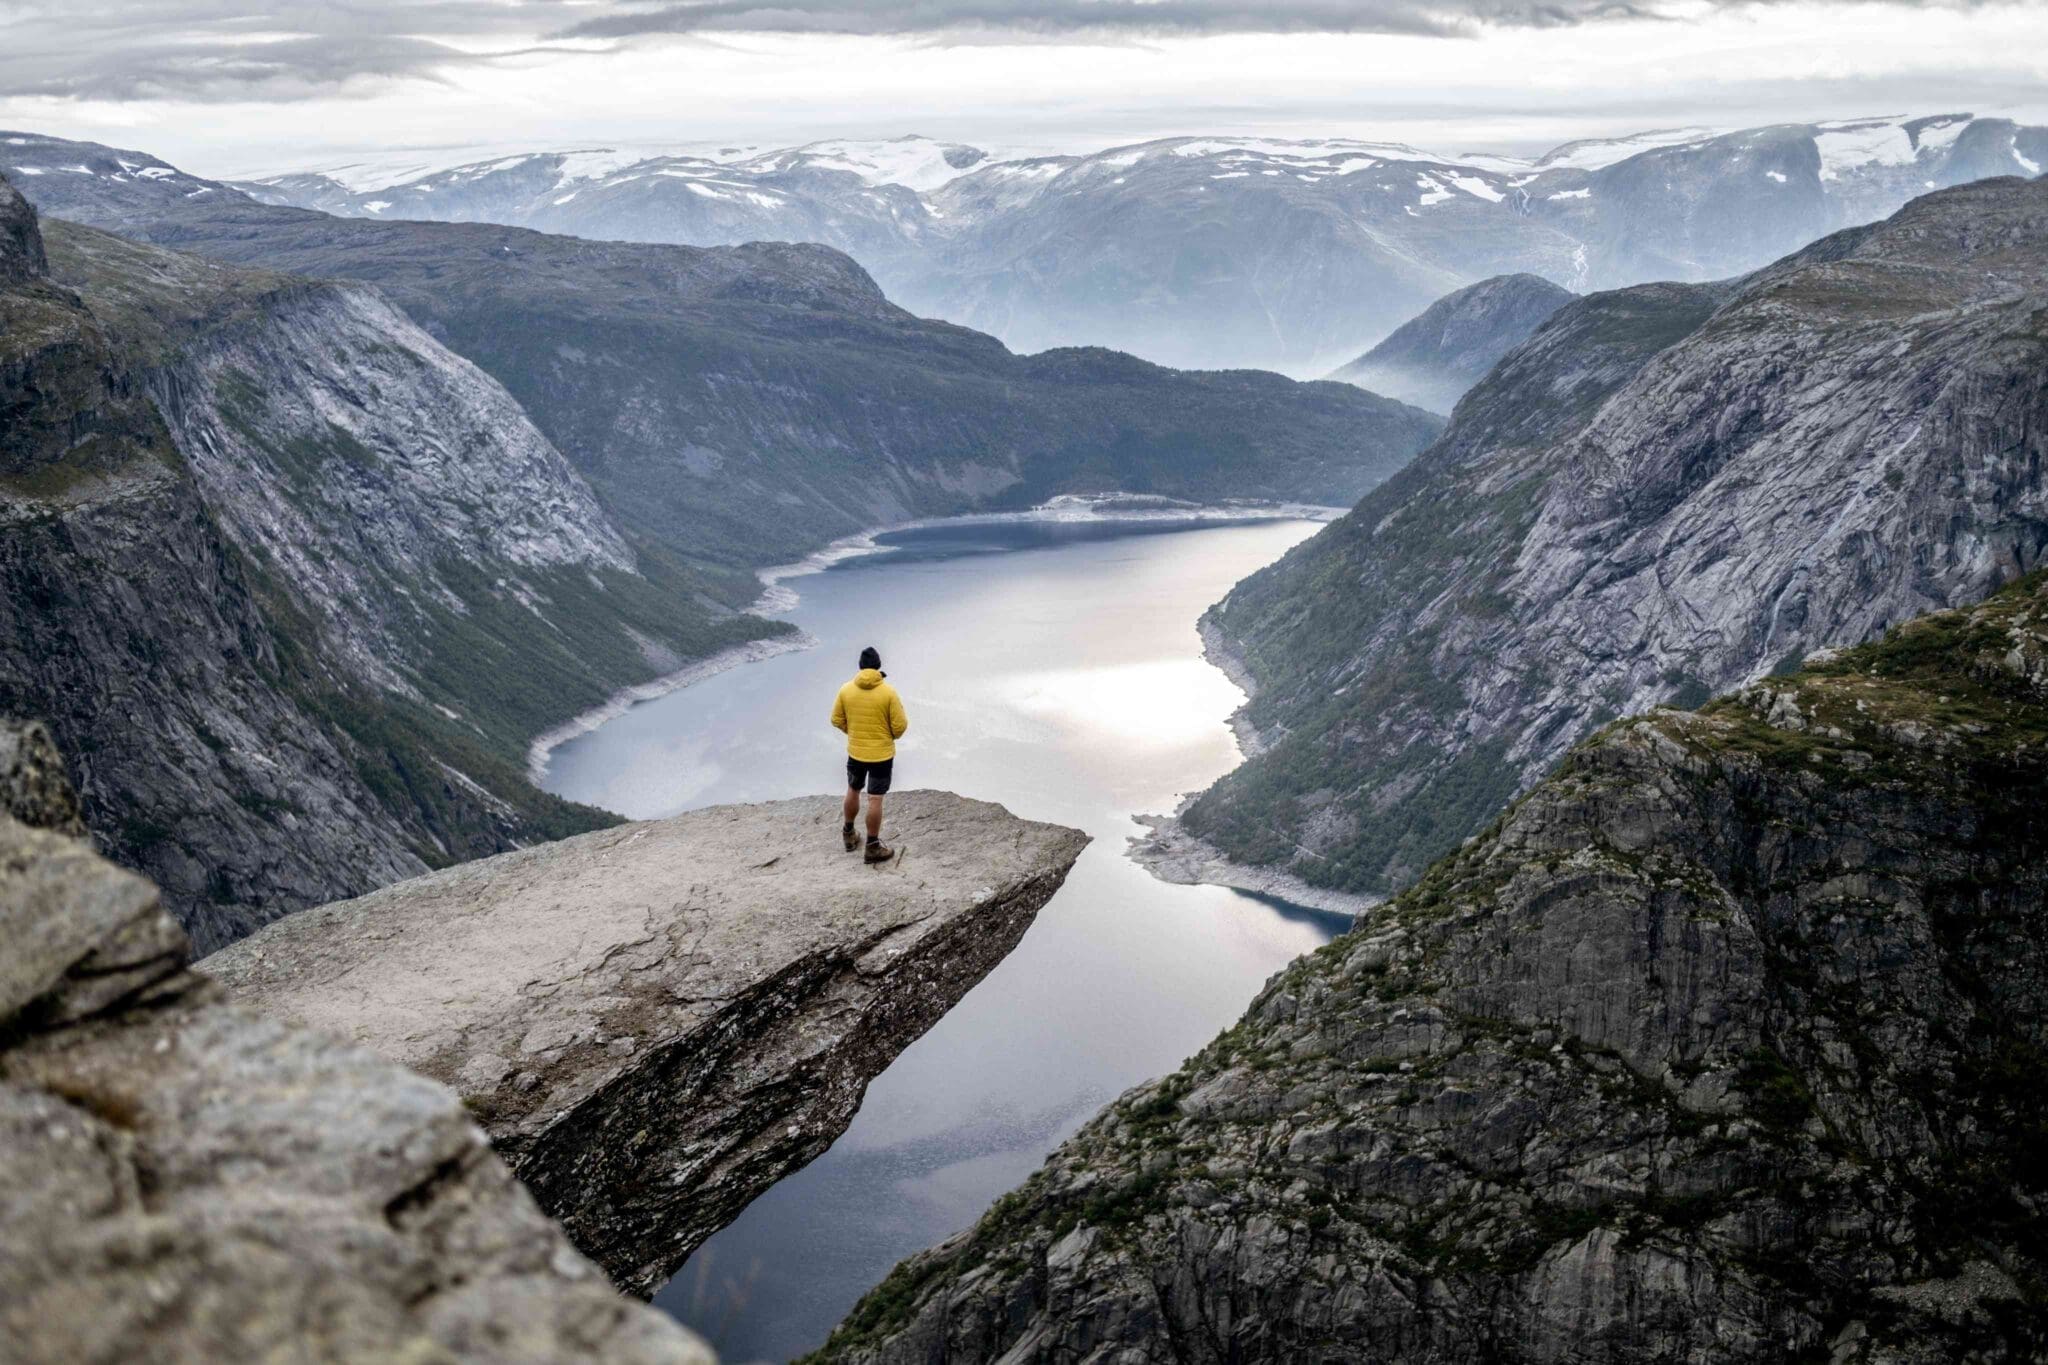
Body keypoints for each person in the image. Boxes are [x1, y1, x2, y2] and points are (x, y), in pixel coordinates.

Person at [830, 645, 908, 863]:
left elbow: (836, 719)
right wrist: (884, 736)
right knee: (875, 798)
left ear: (860, 667)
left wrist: (853, 732)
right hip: (881, 755)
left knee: (853, 789)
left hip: (856, 752)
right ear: (878, 666)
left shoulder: (846, 690)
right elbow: (900, 727)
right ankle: (872, 846)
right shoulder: (888, 692)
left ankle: (848, 834)